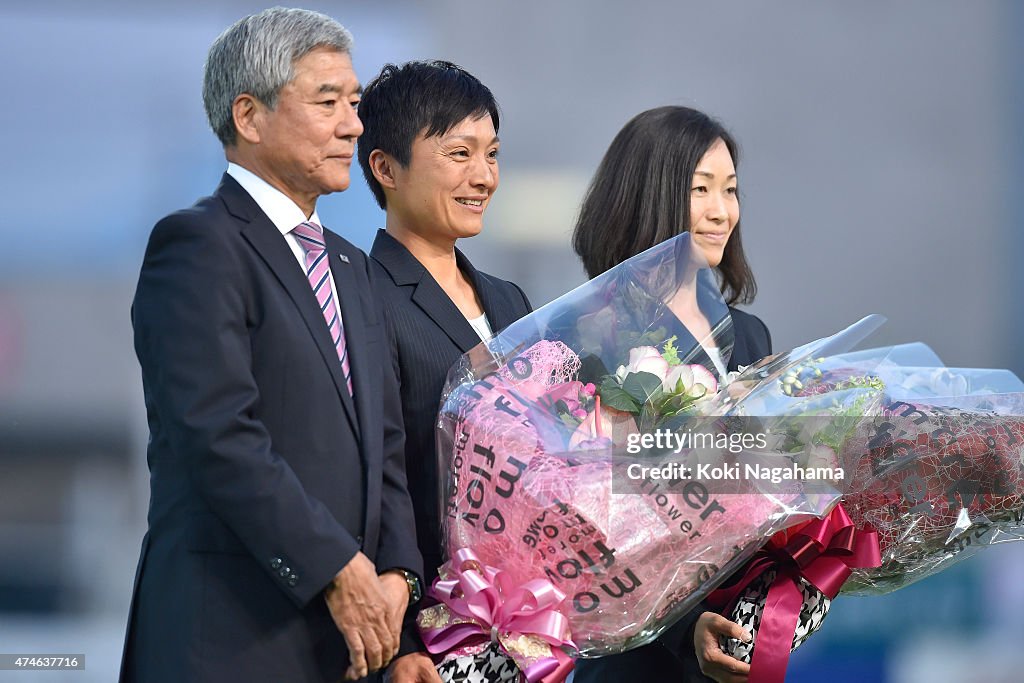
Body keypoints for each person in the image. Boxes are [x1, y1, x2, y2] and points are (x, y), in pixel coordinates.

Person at [120, 8, 422, 682]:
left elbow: (389, 450)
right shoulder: (198, 245)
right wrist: (341, 572)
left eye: (355, 102)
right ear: (250, 117)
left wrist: (397, 584)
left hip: (352, 650)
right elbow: (218, 435)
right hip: (229, 642)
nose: (353, 124)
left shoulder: (353, 267)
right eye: (328, 102)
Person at [571, 106, 771, 683]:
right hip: (635, 650)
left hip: (734, 640)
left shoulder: (749, 335)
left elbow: (764, 482)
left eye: (730, 190)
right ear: (649, 195)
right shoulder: (590, 334)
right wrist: (688, 623)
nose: (721, 211)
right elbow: (595, 519)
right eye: (700, 189)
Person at [356, 60, 533, 682]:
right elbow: (375, 482)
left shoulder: (510, 300)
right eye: (460, 152)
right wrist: (400, 641)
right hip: (431, 635)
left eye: (492, 154)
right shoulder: (363, 297)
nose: (483, 176)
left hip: (529, 626)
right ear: (385, 167)